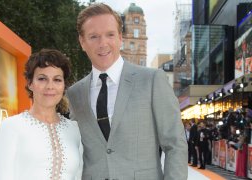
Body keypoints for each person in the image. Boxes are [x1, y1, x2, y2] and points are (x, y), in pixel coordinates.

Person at [66, 3, 188, 179]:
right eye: (93, 37)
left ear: (120, 38)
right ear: (82, 42)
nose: (103, 43)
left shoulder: (152, 80)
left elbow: (175, 144)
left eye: (110, 34)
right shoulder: (75, 93)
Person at [0, 49, 83, 180]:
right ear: (30, 83)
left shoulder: (74, 130)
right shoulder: (12, 126)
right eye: (42, 79)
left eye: (57, 80)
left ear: (64, 86)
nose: (50, 86)